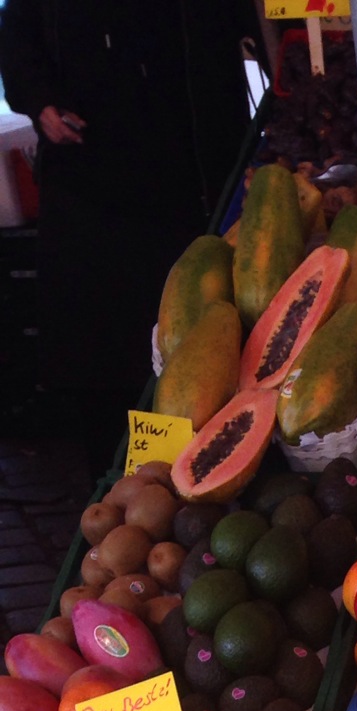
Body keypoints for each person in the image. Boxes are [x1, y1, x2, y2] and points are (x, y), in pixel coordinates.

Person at [0, 0, 260, 470]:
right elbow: (17, 36)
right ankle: (118, 483)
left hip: (192, 173)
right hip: (90, 182)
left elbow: (250, 21)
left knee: (206, 338)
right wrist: (40, 100)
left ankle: (214, 470)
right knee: (104, 356)